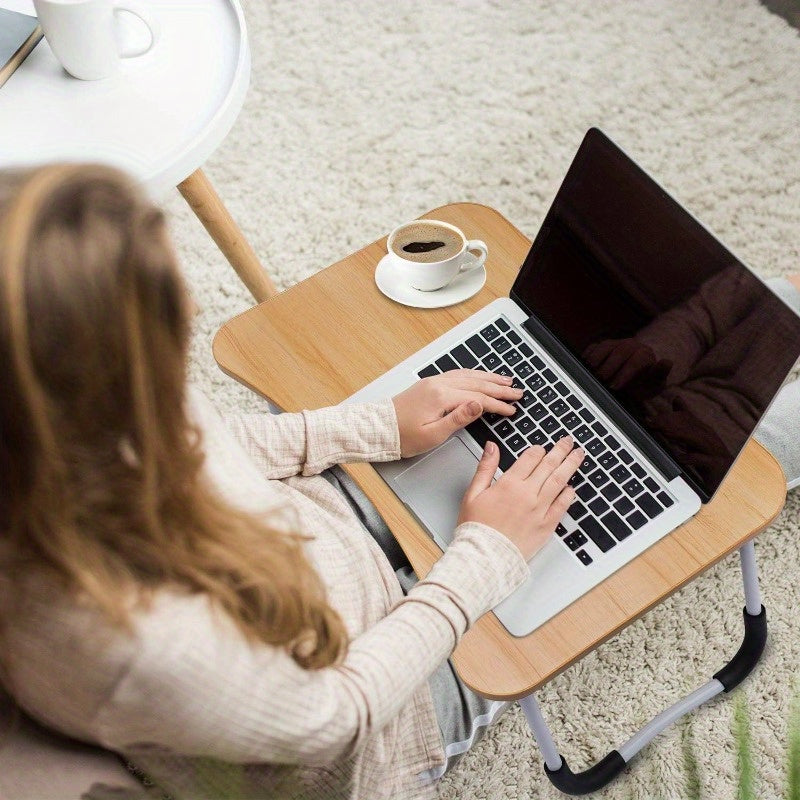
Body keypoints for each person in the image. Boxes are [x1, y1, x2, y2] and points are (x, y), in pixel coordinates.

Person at [0, 163, 584, 800]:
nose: (193, 305)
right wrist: (483, 560)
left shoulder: (63, 420)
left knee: (505, 468)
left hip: (313, 542)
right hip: (378, 719)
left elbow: (212, 441)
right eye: (169, 302)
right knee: (573, 565)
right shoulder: (143, 645)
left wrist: (377, 426)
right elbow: (340, 715)